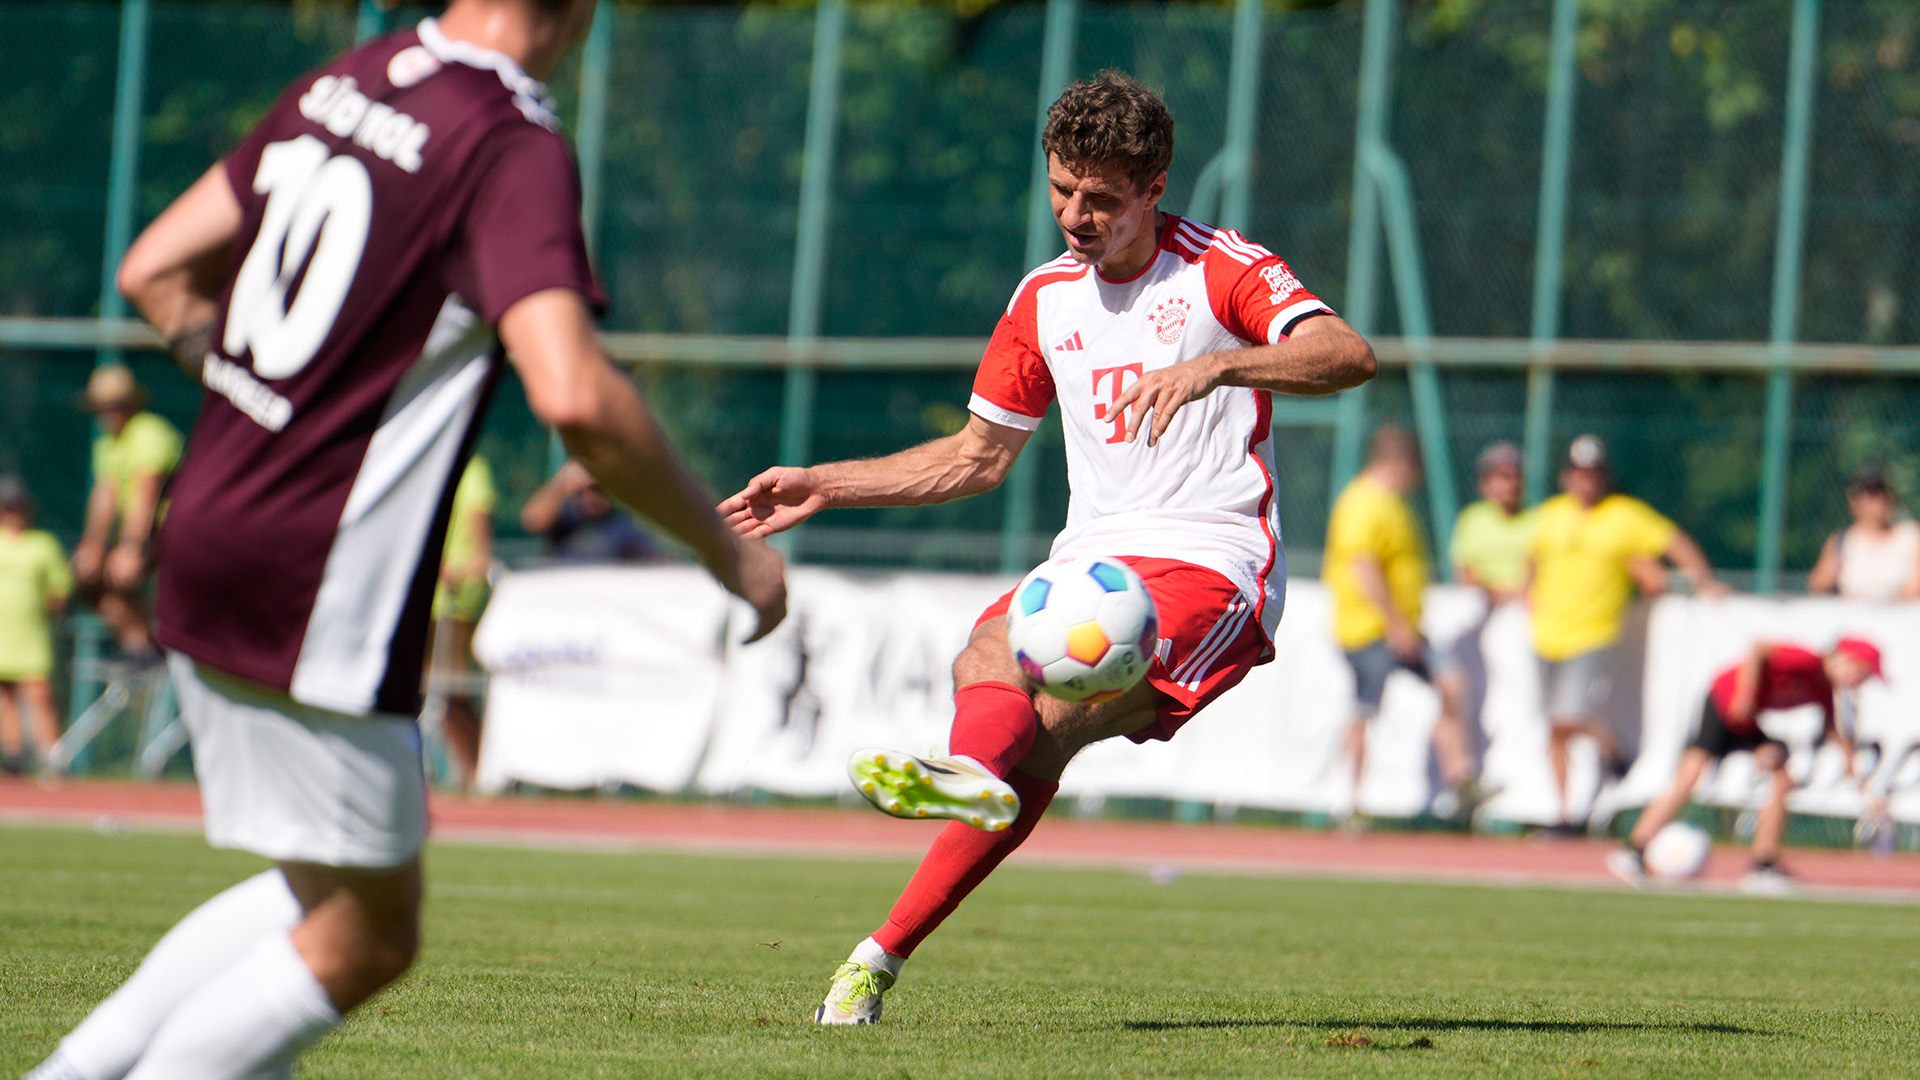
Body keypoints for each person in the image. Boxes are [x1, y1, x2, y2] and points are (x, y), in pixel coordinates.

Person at [27, 2, 786, 1077]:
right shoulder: (510, 141)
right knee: (368, 936)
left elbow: (152, 270)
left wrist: (275, 411)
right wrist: (733, 553)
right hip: (314, 577)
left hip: (205, 530)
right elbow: (575, 396)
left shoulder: (356, 78)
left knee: (326, 886)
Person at [720, 70, 1375, 1025]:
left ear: (1154, 190)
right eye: (1063, 188)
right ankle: (893, 922)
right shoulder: (1044, 299)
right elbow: (978, 455)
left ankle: (947, 837)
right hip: (1093, 560)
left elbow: (1346, 354)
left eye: (1102, 198)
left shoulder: (1219, 267)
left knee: (1055, 721)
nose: (1076, 214)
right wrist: (829, 482)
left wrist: (1217, 363)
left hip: (1213, 559)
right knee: (984, 659)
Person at [1527, 434, 1727, 832]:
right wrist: (1525, 595)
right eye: (1580, 473)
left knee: (1568, 717)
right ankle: (1564, 814)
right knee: (1552, 728)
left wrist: (1703, 580)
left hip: (1592, 633)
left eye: (1594, 473)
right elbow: (1532, 561)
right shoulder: (1550, 514)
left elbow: (1675, 543)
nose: (1586, 481)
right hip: (1546, 634)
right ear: (1568, 476)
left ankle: (1609, 744)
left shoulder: (1625, 515)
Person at [1609, 637, 1878, 894]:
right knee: (1690, 776)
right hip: (1724, 703)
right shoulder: (1808, 660)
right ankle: (1633, 850)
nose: (1859, 683)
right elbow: (1758, 648)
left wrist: (1858, 777)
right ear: (1846, 660)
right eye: (1862, 674)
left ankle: (1763, 865)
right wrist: (1746, 694)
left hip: (1745, 722)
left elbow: (1834, 731)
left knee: (1783, 777)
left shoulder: (1823, 689)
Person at [1322, 424, 1476, 824]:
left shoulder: (1392, 502)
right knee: (1365, 711)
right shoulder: (1363, 501)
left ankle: (1460, 781)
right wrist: (1394, 624)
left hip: (1404, 626)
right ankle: (1351, 803)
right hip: (1369, 630)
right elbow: (1363, 564)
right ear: (1400, 462)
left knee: (1451, 683)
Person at [1433, 439, 1538, 813]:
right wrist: (1508, 591)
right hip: (1481, 628)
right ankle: (1459, 782)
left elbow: (1537, 574)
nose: (1507, 484)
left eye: (1513, 476)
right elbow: (1468, 576)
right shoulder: (1474, 520)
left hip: (1517, 632)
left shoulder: (1535, 522)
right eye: (1499, 476)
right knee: (1458, 699)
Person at [70, 363, 182, 666]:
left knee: (124, 574)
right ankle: (142, 649)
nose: (107, 412)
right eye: (101, 406)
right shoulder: (107, 443)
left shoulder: (149, 432)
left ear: (129, 403)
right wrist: (92, 546)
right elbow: (105, 496)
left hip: (178, 534)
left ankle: (160, 650)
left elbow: (147, 496)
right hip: (147, 534)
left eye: (114, 405)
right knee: (89, 577)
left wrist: (130, 548)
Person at [429, 454, 496, 786]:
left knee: (454, 692)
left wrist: (458, 571)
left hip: (455, 604)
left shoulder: (472, 469)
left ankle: (478, 773)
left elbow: (481, 554)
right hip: (421, 603)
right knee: (430, 693)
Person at [0, 476, 73, 777]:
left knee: (39, 696)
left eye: (16, 506)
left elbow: (58, 592)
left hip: (30, 635)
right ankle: (12, 756)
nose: (12, 513)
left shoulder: (43, 545)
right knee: (5, 698)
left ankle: (51, 758)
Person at [1806, 465, 1920, 601]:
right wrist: (1828, 575)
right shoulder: (1842, 541)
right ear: (1855, 501)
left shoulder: (1910, 536)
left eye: (1880, 495)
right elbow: (1817, 584)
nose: (1877, 504)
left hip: (1899, 617)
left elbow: (1914, 588)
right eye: (1870, 496)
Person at [520, 458, 661, 563]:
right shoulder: (565, 518)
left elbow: (652, 560)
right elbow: (532, 521)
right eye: (582, 491)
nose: (590, 496)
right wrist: (561, 483)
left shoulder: (623, 525)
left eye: (597, 489)